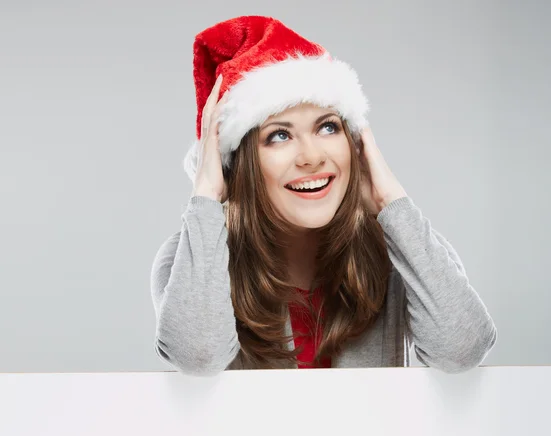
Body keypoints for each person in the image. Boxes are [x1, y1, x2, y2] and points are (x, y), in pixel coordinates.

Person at [150, 15, 497, 374]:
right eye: (279, 135)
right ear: (238, 166)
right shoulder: (188, 257)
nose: (313, 157)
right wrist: (207, 193)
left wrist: (391, 201)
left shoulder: (402, 246)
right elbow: (197, 356)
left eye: (328, 127)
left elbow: (463, 349)